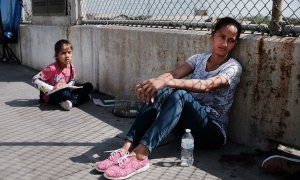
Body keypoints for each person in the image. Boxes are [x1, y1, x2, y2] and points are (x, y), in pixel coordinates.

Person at [95, 17, 243, 179]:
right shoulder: (199, 59)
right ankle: (127, 147)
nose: (225, 44)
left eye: (231, 41)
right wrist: (156, 83)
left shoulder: (233, 67)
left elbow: (207, 85)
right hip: (185, 130)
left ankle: (141, 155)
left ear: (235, 44)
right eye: (222, 37)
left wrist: (168, 82)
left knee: (180, 93)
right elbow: (174, 74)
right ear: (212, 36)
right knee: (161, 90)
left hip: (211, 132)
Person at [32, 39, 93, 111]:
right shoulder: (52, 68)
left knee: (89, 86)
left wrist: (69, 85)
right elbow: (34, 80)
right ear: (56, 54)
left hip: (66, 91)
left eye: (69, 52)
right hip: (51, 96)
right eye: (63, 53)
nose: (67, 56)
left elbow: (72, 80)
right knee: (65, 94)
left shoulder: (71, 67)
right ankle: (81, 99)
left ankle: (70, 102)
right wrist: (52, 88)